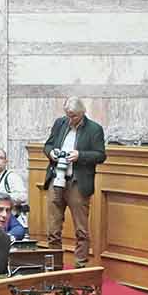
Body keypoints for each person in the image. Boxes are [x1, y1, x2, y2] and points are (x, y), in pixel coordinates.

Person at [42, 97, 106, 267]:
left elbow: (101, 155)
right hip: (56, 179)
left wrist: (80, 155)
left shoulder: (94, 129)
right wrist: (52, 153)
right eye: (67, 115)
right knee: (53, 229)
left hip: (78, 183)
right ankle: (55, 267)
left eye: (74, 116)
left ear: (82, 113)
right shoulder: (60, 123)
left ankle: (80, 267)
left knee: (81, 231)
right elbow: (47, 146)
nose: (70, 119)